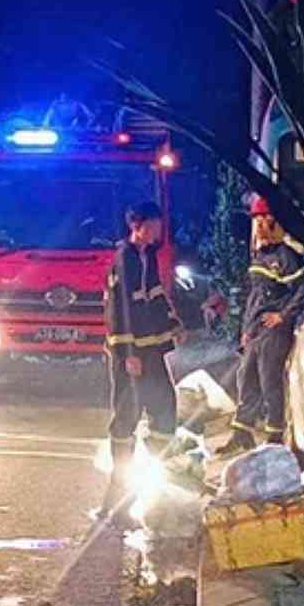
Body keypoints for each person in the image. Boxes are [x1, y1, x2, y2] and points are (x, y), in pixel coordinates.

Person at [102, 200, 187, 516]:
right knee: (126, 418)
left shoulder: (147, 256)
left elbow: (155, 295)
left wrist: (173, 324)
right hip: (133, 355)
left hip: (152, 351)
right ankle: (117, 499)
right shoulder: (125, 259)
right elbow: (120, 309)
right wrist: (128, 353)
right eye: (153, 225)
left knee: (165, 407)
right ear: (138, 226)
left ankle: (155, 478)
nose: (158, 230)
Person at [227, 194, 304, 452]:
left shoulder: (287, 256)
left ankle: (275, 438)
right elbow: (254, 297)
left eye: (263, 221)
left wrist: (283, 316)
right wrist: (246, 329)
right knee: (247, 379)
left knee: (270, 383)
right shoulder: (260, 256)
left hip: (274, 332)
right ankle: (241, 434)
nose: (259, 227)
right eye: (257, 222)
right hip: (256, 330)